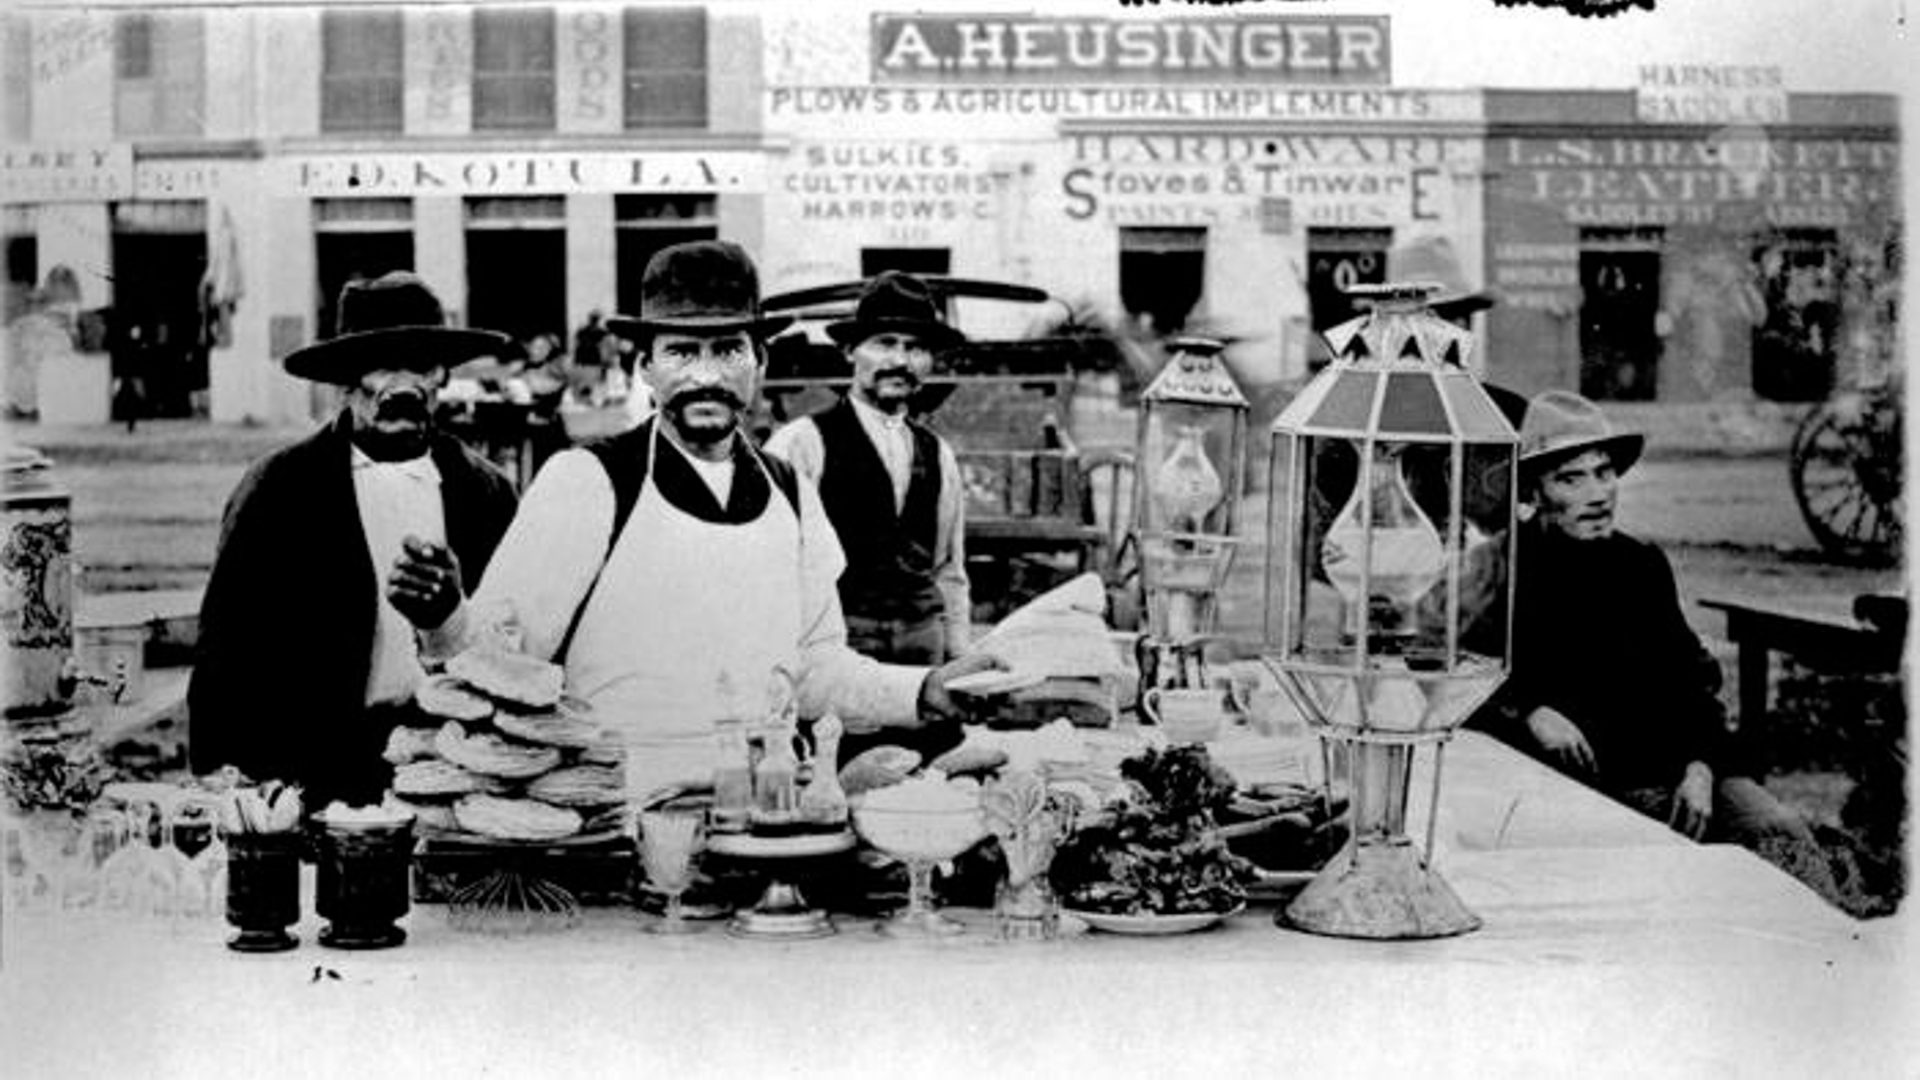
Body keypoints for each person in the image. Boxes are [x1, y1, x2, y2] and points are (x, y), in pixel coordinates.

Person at [423, 241, 999, 801]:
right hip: (621, 819)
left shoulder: (790, 492)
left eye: (728, 350)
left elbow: (813, 669)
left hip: (766, 818)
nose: (707, 374)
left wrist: (922, 688)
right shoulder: (589, 482)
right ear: (645, 365)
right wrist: (443, 617)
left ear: (760, 362)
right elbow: (496, 661)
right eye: (681, 352)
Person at [1467, 389, 1837, 893]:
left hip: (1679, 774)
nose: (1598, 494)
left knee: (1778, 832)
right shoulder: (1500, 568)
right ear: (1533, 492)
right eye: (1571, 478)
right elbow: (1449, 679)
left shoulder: (1640, 564)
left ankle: (1834, 952)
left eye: (1604, 473)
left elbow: (1693, 680)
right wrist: (1529, 709)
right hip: (1570, 790)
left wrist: (1702, 768)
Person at [188, 272, 521, 806]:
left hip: (456, 770)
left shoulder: (485, 493)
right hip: (315, 770)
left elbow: (521, 645)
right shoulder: (281, 488)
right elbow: (225, 652)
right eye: (384, 364)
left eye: (421, 365)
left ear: (442, 378)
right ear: (345, 379)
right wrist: (230, 785)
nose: (404, 386)